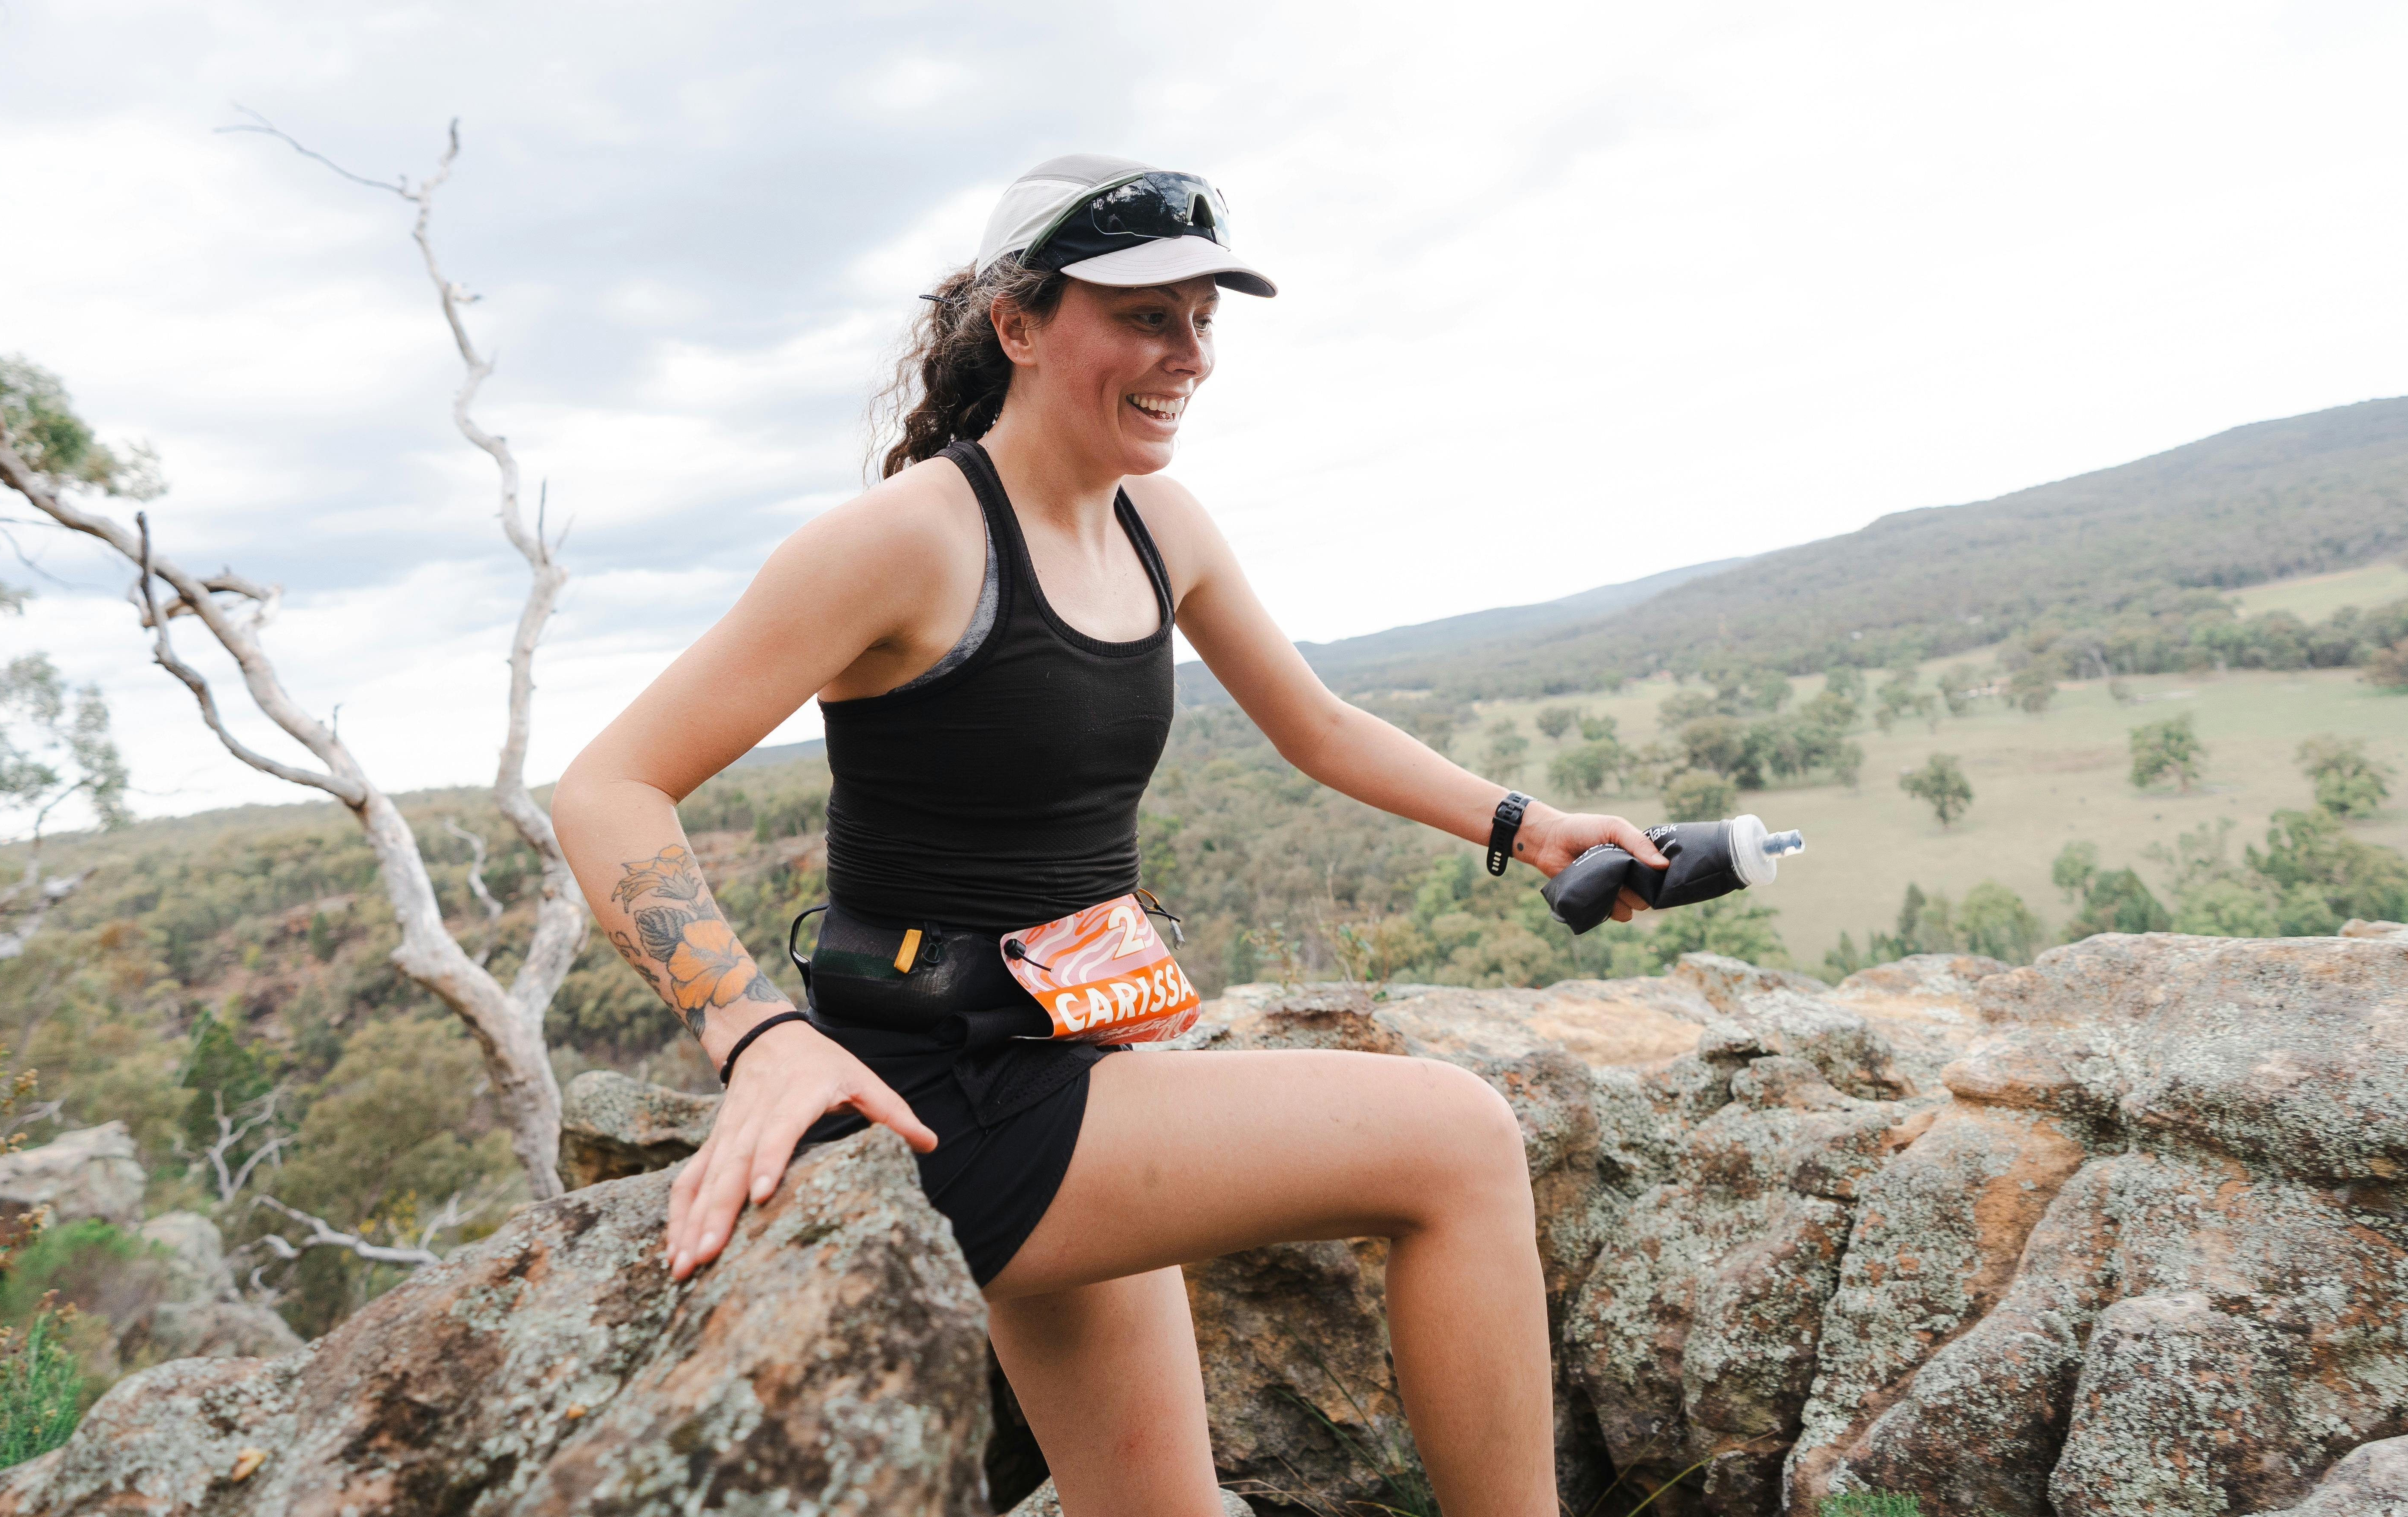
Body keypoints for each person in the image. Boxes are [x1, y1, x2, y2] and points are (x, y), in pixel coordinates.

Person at [552, 154, 1669, 1517]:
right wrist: (759, 1037)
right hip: (950, 1102)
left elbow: (1315, 727)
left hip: (1077, 1065)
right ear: (1016, 326)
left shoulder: (1161, 523)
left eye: (1203, 317)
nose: (1186, 354)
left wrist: (1536, 829)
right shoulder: (904, 543)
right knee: (1459, 1143)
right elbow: (607, 787)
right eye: (1146, 315)